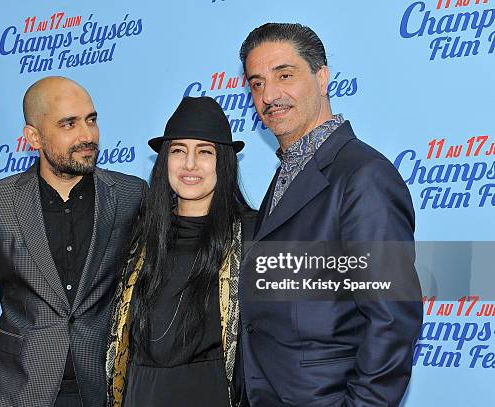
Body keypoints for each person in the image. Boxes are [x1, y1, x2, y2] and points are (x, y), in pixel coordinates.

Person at [238, 23, 423, 406]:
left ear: (321, 78)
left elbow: (391, 320)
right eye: (256, 84)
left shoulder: (363, 175)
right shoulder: (289, 172)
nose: (269, 95)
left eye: (284, 75)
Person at [0, 76, 147, 407]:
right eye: (69, 124)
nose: (87, 135)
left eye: (91, 119)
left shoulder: (130, 194)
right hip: (19, 390)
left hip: (104, 390)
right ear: (34, 137)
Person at [105, 96, 256, 407]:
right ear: (164, 161)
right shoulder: (138, 238)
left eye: (204, 152)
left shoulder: (253, 236)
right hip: (141, 396)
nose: (190, 164)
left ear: (223, 162)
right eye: (178, 151)